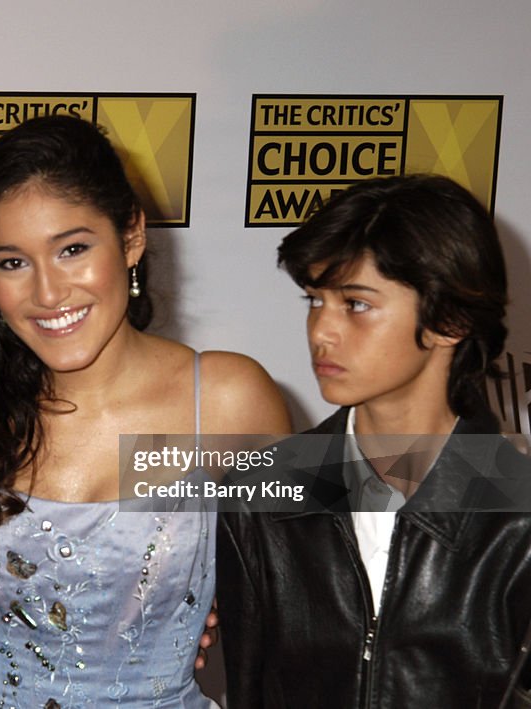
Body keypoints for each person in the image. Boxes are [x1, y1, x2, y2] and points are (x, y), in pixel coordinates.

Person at [0, 114, 290, 707]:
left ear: (132, 237)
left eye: (72, 249)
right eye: (12, 262)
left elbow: (349, 542)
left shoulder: (222, 400)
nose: (48, 292)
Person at [216, 174, 531, 707]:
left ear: (449, 320)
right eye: (314, 300)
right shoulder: (260, 494)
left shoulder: (519, 515)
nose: (322, 331)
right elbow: (248, 688)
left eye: (356, 304)